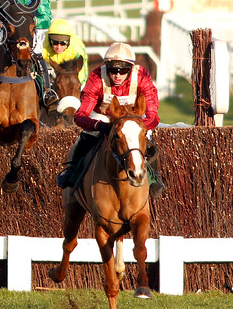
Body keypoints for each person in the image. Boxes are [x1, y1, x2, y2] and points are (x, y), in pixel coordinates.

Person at [55, 42, 165, 198]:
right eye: (113, 70)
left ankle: (155, 178)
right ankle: (73, 171)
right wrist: (99, 126)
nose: (117, 75)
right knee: (87, 135)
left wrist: (139, 126)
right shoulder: (96, 77)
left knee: (147, 135)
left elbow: (153, 116)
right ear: (107, 67)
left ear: (131, 69)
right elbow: (81, 116)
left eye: (123, 70)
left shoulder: (142, 76)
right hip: (104, 117)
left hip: (132, 121)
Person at [42, 18, 89, 85]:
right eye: (55, 42)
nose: (59, 47)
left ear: (68, 41)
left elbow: (81, 74)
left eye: (63, 43)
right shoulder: (42, 45)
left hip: (68, 69)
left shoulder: (77, 50)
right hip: (49, 68)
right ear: (49, 40)